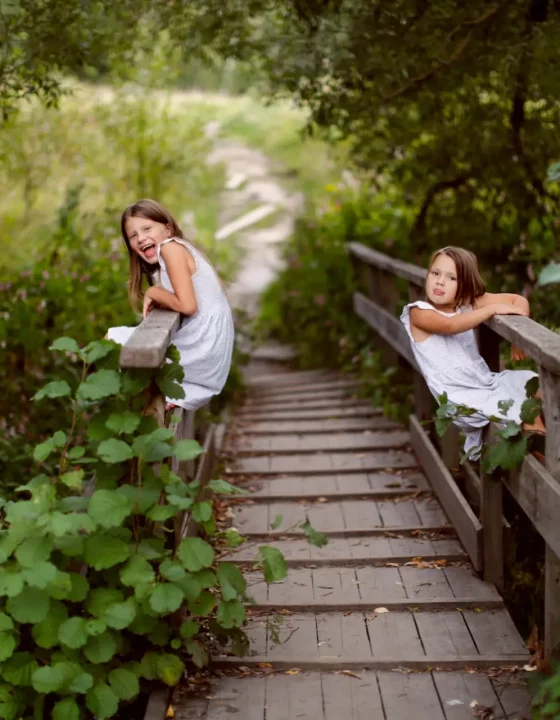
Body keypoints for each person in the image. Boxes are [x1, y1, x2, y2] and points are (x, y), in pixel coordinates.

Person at [400, 246, 545, 459]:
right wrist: (491, 309)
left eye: (452, 278)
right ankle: (547, 468)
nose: (440, 282)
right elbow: (450, 326)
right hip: (461, 398)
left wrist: (518, 338)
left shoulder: (467, 304)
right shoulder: (418, 312)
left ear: (465, 285)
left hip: (486, 383)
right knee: (522, 410)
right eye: (435, 273)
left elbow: (516, 301)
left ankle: (546, 455)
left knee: (536, 384)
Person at [107, 199, 234, 411]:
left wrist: (153, 291)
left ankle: (117, 414)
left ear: (167, 229)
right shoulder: (172, 253)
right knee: (122, 352)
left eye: (147, 228)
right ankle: (127, 412)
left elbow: (187, 305)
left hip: (202, 348)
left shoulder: (171, 248)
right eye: (133, 235)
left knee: (109, 344)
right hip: (208, 353)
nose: (141, 238)